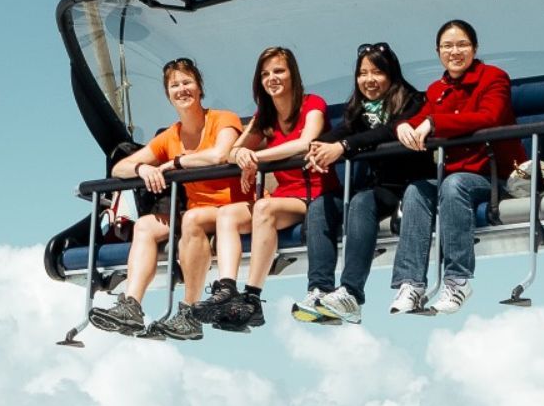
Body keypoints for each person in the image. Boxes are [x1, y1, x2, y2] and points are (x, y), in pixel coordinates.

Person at [87, 57, 250, 340]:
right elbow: (119, 168)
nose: (182, 89)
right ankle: (131, 306)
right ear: (168, 94)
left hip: (233, 207)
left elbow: (219, 155)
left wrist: (176, 162)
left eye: (187, 82)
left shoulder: (223, 119)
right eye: (175, 86)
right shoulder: (170, 135)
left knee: (192, 220)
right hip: (197, 212)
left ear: (199, 88)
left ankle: (189, 313)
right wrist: (142, 168)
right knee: (145, 225)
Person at [389, 18, 516, 315]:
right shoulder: (437, 89)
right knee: (416, 191)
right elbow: (418, 116)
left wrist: (434, 123)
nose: (454, 52)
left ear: (475, 48)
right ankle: (411, 284)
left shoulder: (494, 77)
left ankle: (457, 280)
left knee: (453, 184)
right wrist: (403, 126)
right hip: (454, 178)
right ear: (438, 51)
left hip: (492, 175)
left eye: (462, 45)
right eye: (447, 46)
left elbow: (490, 116)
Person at [292, 42, 423, 324]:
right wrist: (317, 148)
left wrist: (343, 146)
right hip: (377, 186)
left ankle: (351, 294)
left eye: (377, 73)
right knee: (321, 205)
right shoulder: (361, 109)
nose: (369, 80)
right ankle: (319, 289)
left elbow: (386, 132)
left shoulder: (413, 101)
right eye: (363, 74)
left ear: (391, 74)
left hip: (405, 187)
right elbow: (343, 130)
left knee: (362, 202)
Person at [208, 46, 326, 331]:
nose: (272, 78)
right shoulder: (265, 116)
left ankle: (252, 298)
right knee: (226, 215)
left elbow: (304, 143)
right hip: (282, 197)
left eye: (279, 71)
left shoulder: (312, 104)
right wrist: (241, 155)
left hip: (312, 194)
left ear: (292, 74)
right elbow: (232, 151)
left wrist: (256, 158)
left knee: (263, 207)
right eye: (265, 74)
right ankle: (227, 289)